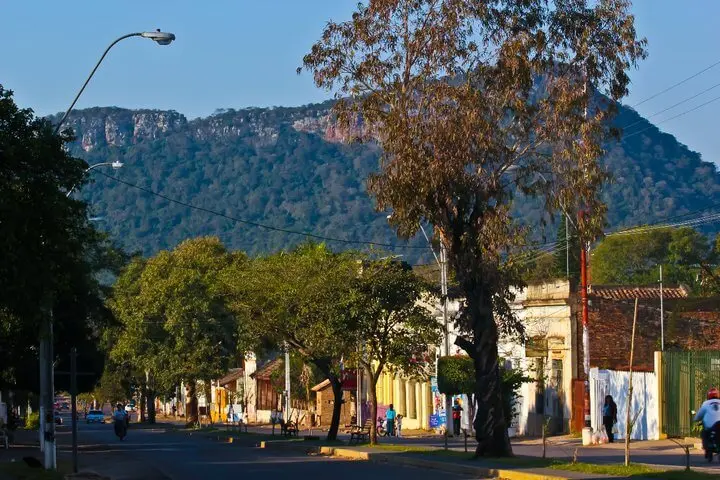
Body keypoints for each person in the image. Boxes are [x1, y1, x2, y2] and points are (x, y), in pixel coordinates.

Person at [694, 387, 720, 458]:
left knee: (704, 433)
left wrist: (696, 419)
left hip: (709, 427)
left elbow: (699, 415)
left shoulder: (705, 403)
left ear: (708, 396)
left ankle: (707, 448)